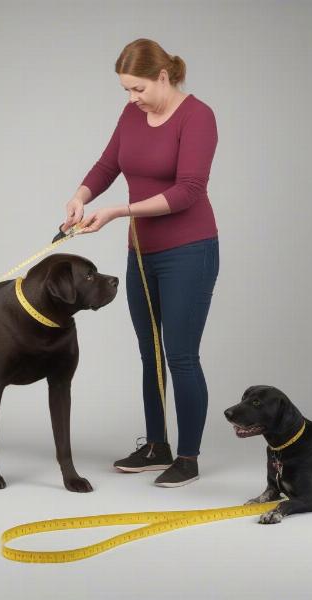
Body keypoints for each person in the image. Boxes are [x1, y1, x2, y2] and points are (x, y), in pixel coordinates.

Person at [62, 38, 219, 487]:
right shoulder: (133, 113)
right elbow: (109, 163)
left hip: (189, 252)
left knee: (181, 357)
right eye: (126, 91)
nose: (132, 99)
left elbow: (188, 190)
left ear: (163, 77)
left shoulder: (198, 116)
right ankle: (156, 445)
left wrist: (117, 212)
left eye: (138, 89)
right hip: (141, 253)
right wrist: (81, 196)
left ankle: (187, 457)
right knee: (149, 353)